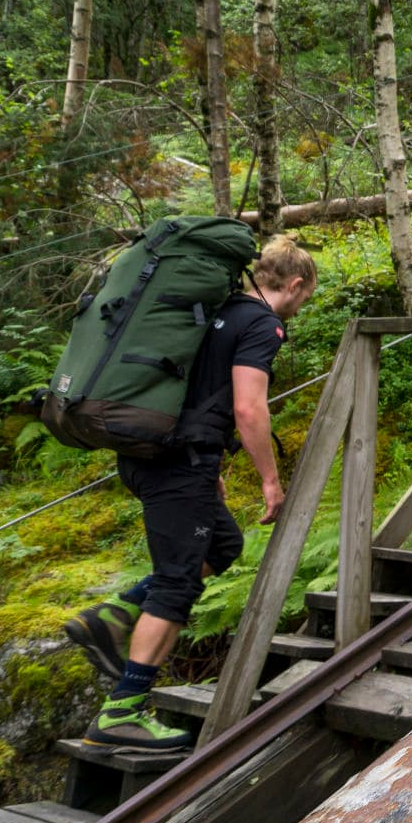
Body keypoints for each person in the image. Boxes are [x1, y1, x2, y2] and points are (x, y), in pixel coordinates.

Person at [63, 236, 318, 750]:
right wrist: (270, 479)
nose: (301, 306)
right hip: (177, 466)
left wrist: (209, 461)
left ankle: (117, 614)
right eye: (305, 297)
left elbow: (193, 388)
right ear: (294, 285)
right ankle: (121, 712)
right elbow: (248, 407)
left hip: (154, 455)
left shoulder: (213, 311)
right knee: (177, 584)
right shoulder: (261, 324)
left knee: (222, 543)